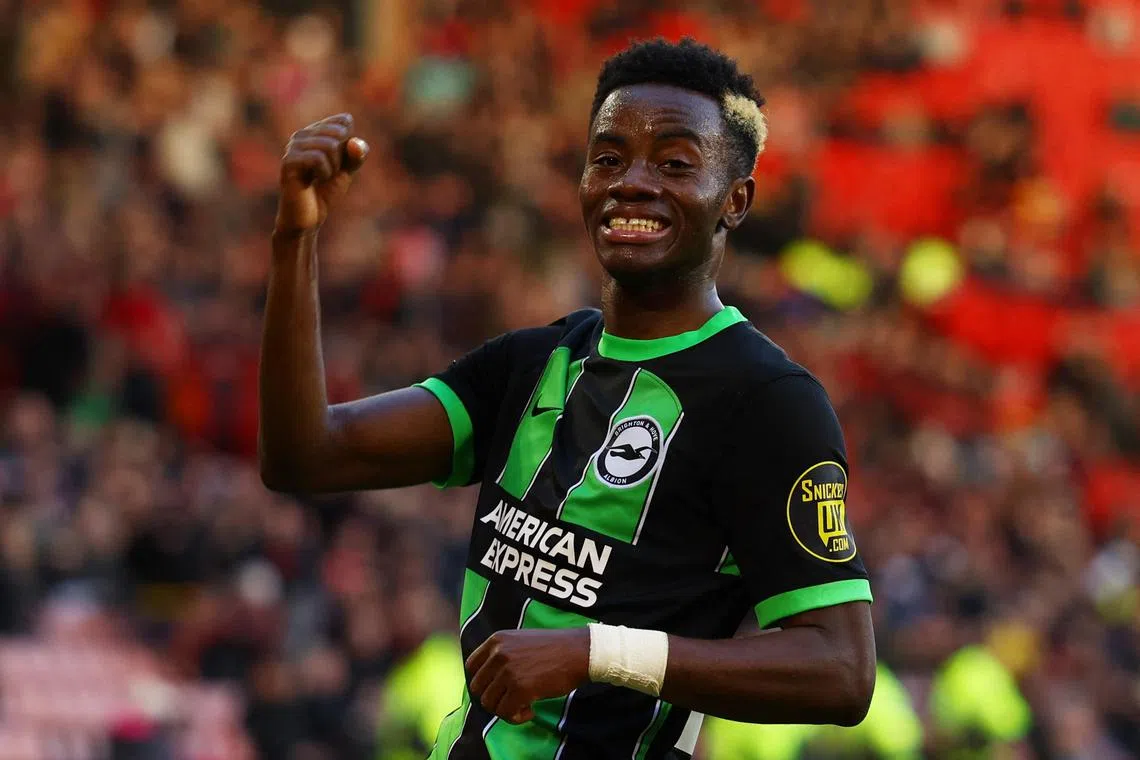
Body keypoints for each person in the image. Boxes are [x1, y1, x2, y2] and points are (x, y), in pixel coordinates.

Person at [260, 38, 875, 760]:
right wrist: (295, 239)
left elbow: (841, 669)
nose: (631, 182)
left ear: (734, 201)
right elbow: (306, 455)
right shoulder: (529, 364)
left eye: (674, 163)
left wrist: (596, 652)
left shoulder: (765, 402)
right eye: (608, 158)